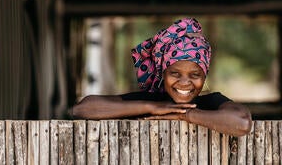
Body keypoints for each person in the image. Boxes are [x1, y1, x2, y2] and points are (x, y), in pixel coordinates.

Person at [71, 18, 252, 137]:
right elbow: (82, 109)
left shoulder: (212, 102)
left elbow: (242, 124)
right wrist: (153, 107)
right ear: (162, 72)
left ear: (205, 75)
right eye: (174, 73)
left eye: (195, 75)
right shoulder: (148, 101)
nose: (184, 82)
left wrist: (185, 115)